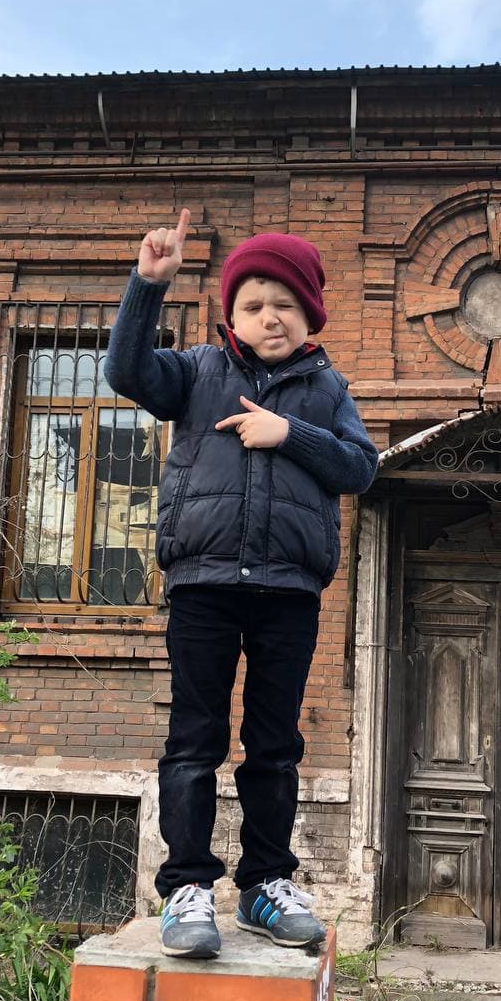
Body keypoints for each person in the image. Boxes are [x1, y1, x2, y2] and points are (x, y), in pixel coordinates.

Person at [104, 209, 379, 958]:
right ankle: (187, 888)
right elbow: (126, 373)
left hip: (289, 591)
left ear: (310, 313)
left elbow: (361, 467)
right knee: (194, 739)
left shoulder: (327, 389)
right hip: (204, 584)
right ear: (233, 314)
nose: (269, 318)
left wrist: (289, 434)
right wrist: (147, 285)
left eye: (284, 304)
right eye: (253, 305)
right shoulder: (198, 372)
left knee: (275, 744)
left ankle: (264, 886)